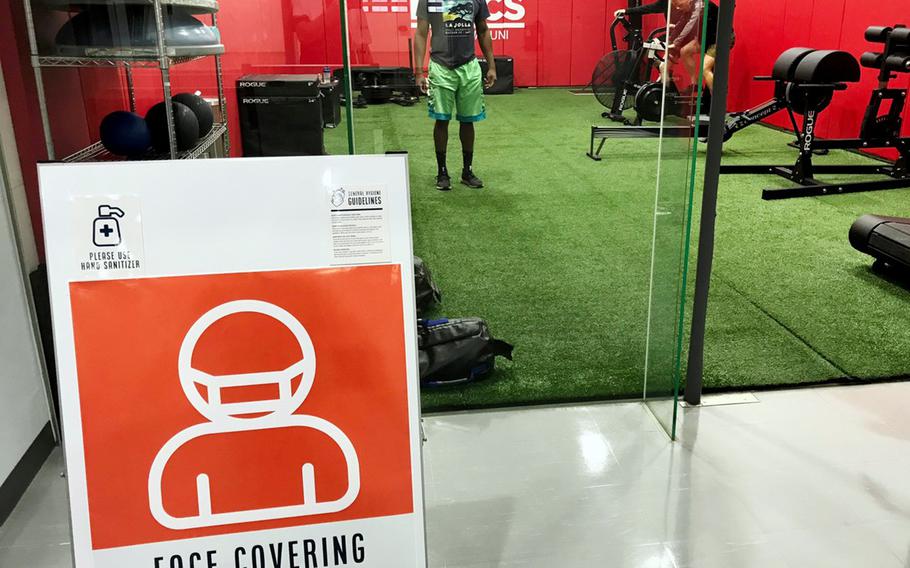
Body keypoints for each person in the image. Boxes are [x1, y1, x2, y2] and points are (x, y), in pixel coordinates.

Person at [414, 0, 497, 191]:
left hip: (469, 67)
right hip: (441, 66)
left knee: (468, 121)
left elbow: (483, 30)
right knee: (441, 120)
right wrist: (419, 71)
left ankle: (467, 171)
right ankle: (442, 172)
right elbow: (421, 32)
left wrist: (491, 65)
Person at [614, 0, 731, 95]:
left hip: (720, 39)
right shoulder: (685, 7)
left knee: (705, 69)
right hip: (699, 38)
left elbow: (689, 26)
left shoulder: (699, 7)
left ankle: (718, 105)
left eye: (678, 5)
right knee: (676, 54)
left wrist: (675, 43)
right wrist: (627, 11)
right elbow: (680, 23)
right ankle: (694, 85)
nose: (677, 8)